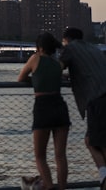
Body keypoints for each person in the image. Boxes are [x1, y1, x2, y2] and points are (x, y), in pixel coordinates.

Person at [59, 27, 106, 190]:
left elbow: (56, 68)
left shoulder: (70, 49)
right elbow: (88, 71)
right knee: (104, 143)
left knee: (93, 142)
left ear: (66, 40)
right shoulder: (93, 48)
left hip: (97, 97)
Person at [18, 31, 70, 190]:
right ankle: (62, 188)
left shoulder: (35, 58)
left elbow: (21, 78)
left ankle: (48, 185)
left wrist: (34, 80)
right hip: (60, 107)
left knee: (40, 156)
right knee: (60, 156)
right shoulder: (58, 64)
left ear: (39, 47)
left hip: (43, 106)